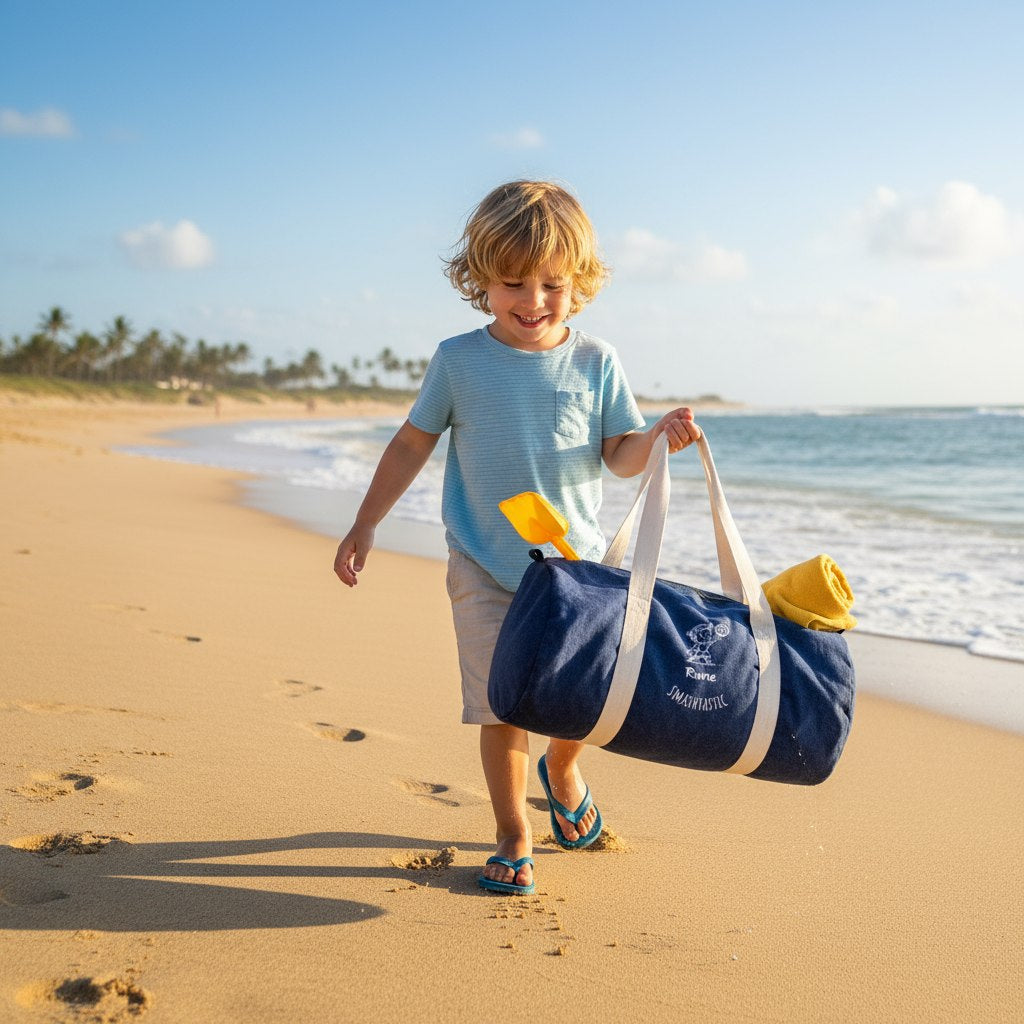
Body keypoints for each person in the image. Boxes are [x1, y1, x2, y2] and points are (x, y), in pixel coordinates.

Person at [333, 180, 701, 896]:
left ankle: (562, 769)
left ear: (580, 284)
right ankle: (512, 833)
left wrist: (657, 439)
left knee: (584, 698)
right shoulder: (459, 361)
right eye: (512, 283)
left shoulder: (596, 362)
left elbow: (618, 453)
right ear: (480, 281)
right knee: (501, 705)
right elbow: (411, 444)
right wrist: (366, 520)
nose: (533, 301)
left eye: (552, 285)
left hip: (572, 571)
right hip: (483, 561)